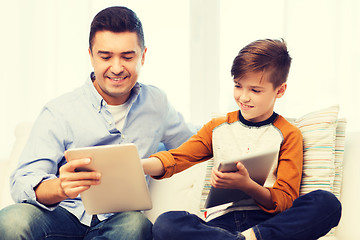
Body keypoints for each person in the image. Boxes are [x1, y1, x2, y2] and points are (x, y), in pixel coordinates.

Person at [0, 6, 193, 240]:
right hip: (63, 214)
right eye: (105, 56)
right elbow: (23, 181)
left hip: (119, 220)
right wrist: (61, 187)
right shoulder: (60, 111)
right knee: (11, 221)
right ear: (91, 55)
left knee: (136, 225)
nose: (117, 67)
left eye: (127, 56)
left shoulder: (157, 104)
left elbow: (192, 144)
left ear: (143, 56)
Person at [142, 39, 342, 240]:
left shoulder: (288, 134)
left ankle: (252, 237)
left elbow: (284, 201)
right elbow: (176, 159)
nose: (243, 97)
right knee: (166, 224)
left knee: (327, 203)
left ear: (279, 90)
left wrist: (247, 185)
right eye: (238, 86)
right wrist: (137, 166)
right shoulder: (217, 127)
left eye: (255, 90)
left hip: (268, 224)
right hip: (220, 227)